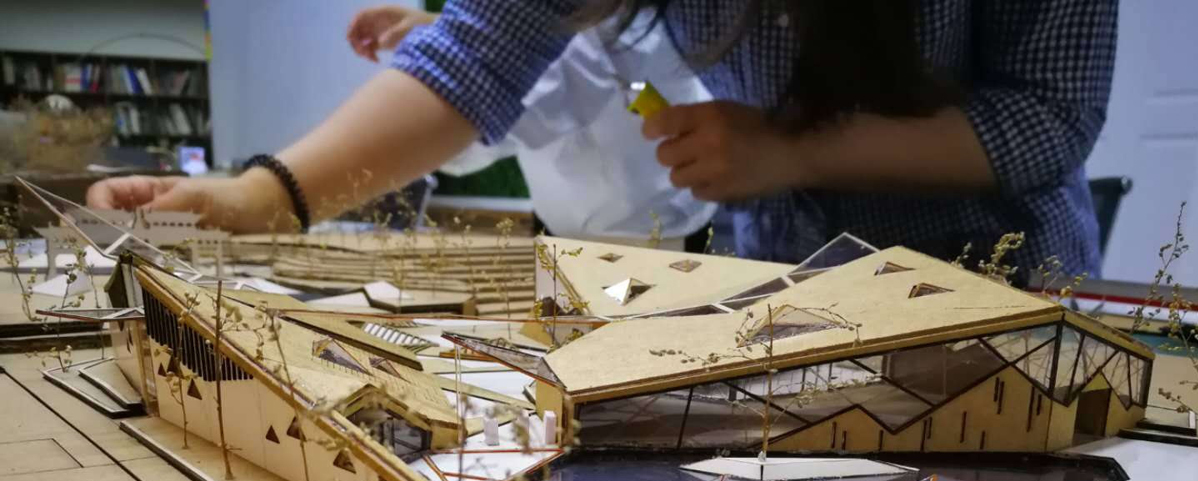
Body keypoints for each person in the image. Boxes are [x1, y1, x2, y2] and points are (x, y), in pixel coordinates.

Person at [89, 0, 1116, 279]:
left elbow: (1049, 118)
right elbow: (481, 50)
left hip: (994, 283)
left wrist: (796, 150)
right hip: (784, 279)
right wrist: (265, 196)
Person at [347, 5, 716, 250]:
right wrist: (437, 27)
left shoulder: (600, 45)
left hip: (643, 242)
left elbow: (467, 132)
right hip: (581, 226)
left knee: (629, 341)